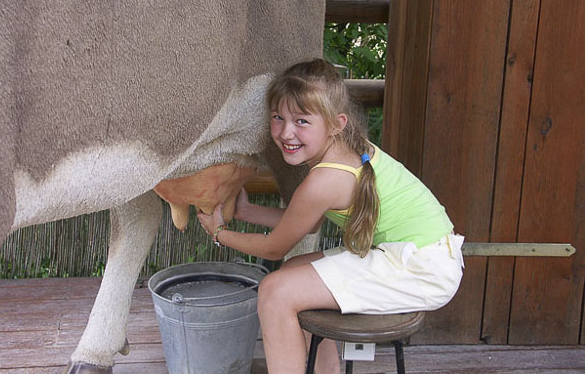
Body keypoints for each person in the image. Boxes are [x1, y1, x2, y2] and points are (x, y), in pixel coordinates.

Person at [197, 58, 464, 373]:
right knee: (295, 269)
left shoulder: (325, 180)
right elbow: (308, 223)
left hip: (422, 267)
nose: (286, 132)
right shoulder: (342, 150)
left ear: (336, 123)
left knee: (275, 290)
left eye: (302, 121)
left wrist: (220, 233)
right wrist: (247, 211)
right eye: (277, 117)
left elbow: (274, 249)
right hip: (419, 255)